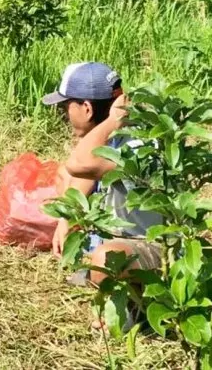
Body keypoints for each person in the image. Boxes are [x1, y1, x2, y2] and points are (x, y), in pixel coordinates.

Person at [45, 63, 163, 323]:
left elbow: (81, 163)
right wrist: (66, 220)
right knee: (64, 176)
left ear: (86, 109)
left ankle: (137, 307)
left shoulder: (134, 143)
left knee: (105, 259)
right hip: (125, 235)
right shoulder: (115, 135)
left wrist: (110, 120)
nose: (65, 115)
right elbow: (77, 174)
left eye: (66, 107)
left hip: (154, 246)